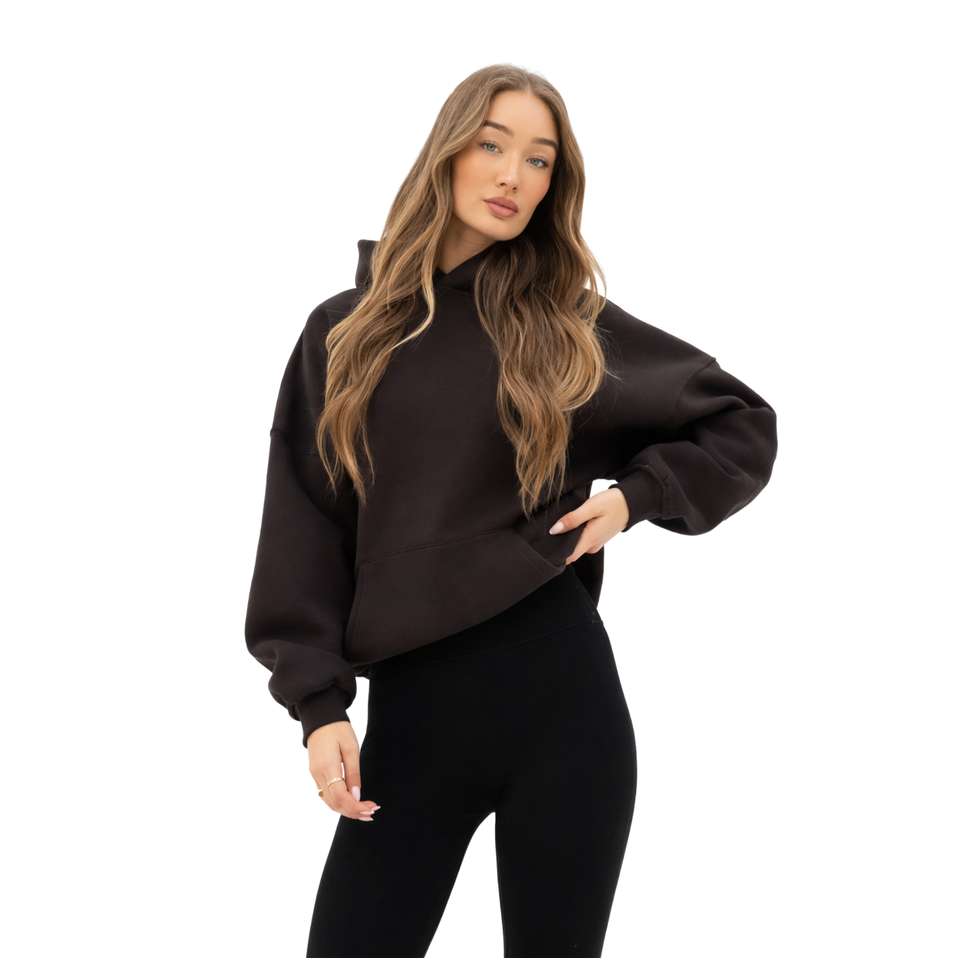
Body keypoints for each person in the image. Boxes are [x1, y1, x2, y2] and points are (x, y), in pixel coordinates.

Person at [245, 63, 777, 958]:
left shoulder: (563, 326)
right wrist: (319, 706)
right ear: (447, 153)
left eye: (539, 160)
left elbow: (739, 421)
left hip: (563, 705)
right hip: (412, 724)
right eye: (492, 145)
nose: (512, 176)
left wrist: (633, 499)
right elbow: (305, 522)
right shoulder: (345, 330)